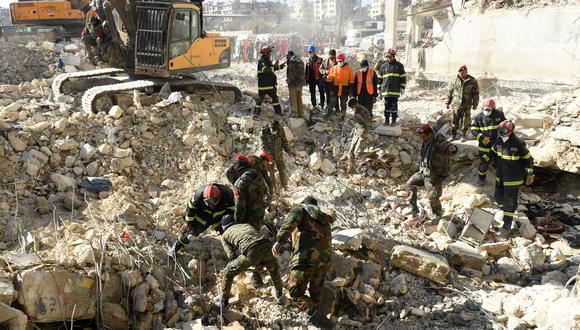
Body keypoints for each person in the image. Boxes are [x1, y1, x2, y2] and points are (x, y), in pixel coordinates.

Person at [272, 196, 335, 329]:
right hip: (323, 263)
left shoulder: (301, 209)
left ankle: (320, 320)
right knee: (316, 295)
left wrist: (279, 240)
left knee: (295, 292)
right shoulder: (325, 220)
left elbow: (290, 222)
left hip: (304, 259)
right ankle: (318, 322)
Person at [219, 215, 284, 308]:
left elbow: (231, 255)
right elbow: (257, 242)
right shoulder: (246, 225)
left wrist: (241, 267)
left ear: (223, 227)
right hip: (267, 245)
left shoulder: (225, 235)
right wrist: (259, 263)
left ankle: (224, 301)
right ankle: (279, 295)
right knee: (273, 270)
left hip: (251, 250)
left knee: (228, 272)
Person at [492, 120, 534, 236]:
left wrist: (530, 174)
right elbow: (493, 152)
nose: (500, 133)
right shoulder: (499, 140)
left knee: (509, 201)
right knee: (498, 196)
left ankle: (507, 225)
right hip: (501, 175)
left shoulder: (518, 143)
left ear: (510, 132)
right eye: (499, 130)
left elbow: (529, 159)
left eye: (503, 131)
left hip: (513, 178)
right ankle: (507, 211)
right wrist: (484, 159)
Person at [407, 124, 458, 218]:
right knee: (410, 183)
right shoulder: (426, 140)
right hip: (424, 171)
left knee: (433, 197)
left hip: (434, 175)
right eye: (421, 136)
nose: (422, 138)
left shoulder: (438, 140)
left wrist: (452, 149)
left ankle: (437, 215)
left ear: (430, 134)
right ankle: (413, 208)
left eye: (424, 136)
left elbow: (446, 146)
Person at [169, 184, 236, 255]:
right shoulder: (198, 195)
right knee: (190, 234)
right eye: (207, 201)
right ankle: (177, 246)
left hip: (219, 219)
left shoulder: (227, 194)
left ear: (218, 197)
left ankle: (232, 248)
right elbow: (190, 208)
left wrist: (229, 221)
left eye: (212, 201)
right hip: (202, 218)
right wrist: (188, 222)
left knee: (228, 232)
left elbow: (232, 209)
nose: (209, 204)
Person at [225, 155, 269, 230]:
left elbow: (240, 206)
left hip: (248, 219)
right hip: (260, 212)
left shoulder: (239, 183)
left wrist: (237, 223)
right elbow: (265, 191)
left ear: (237, 168)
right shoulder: (257, 174)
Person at [470, 98, 506, 186]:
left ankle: (500, 181)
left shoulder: (499, 114)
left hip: (497, 144)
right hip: (484, 146)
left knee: (500, 162)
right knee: (484, 163)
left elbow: (505, 126)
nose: (487, 110)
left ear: (493, 108)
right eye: (485, 108)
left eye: (489, 108)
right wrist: (481, 137)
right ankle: (481, 179)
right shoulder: (478, 117)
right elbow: (474, 129)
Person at [446, 65, 479, 140]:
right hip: (456, 104)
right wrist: (447, 102)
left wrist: (475, 104)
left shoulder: (472, 81)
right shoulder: (455, 80)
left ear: (466, 72)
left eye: (463, 72)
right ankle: (453, 135)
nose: (462, 74)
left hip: (467, 105)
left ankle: (463, 135)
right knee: (454, 120)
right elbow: (450, 92)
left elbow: (476, 94)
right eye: (460, 73)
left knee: (465, 120)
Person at [260, 120, 293, 189]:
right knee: (270, 173)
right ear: (270, 127)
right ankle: (273, 188)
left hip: (279, 155)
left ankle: (285, 186)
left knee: (283, 170)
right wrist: (270, 158)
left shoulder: (280, 130)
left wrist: (288, 150)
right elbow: (263, 147)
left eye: (276, 130)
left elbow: (284, 142)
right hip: (268, 157)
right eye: (273, 130)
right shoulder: (263, 132)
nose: (274, 131)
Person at [255, 46, 285, 117]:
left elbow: (272, 68)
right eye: (269, 53)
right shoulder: (261, 61)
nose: (270, 54)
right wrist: (274, 67)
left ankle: (278, 112)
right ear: (265, 53)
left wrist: (280, 66)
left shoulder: (268, 61)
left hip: (270, 85)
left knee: (275, 99)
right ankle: (256, 114)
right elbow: (265, 70)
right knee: (260, 100)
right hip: (263, 85)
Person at [379, 48, 406, 126]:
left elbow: (403, 77)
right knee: (386, 106)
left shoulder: (399, 66)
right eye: (387, 57)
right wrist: (379, 89)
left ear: (394, 56)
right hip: (386, 90)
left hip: (395, 91)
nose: (388, 58)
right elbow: (380, 78)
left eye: (390, 57)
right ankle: (386, 120)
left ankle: (393, 121)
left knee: (394, 106)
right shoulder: (383, 66)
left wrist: (402, 87)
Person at [346, 98, 373, 174]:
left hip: (363, 133)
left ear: (356, 104)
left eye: (352, 107)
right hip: (357, 132)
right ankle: (351, 169)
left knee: (357, 153)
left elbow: (369, 123)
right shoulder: (356, 111)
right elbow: (356, 123)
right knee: (351, 152)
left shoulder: (364, 111)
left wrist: (361, 118)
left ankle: (370, 158)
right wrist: (353, 129)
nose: (352, 108)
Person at [326, 53, 355, 119]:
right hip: (335, 88)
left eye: (341, 61)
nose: (339, 62)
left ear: (344, 60)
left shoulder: (349, 69)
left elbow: (352, 82)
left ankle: (342, 116)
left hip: (345, 89)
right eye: (338, 61)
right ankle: (328, 114)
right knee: (332, 103)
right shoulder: (334, 68)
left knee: (343, 104)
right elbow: (330, 80)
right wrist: (330, 90)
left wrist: (350, 91)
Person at [286, 50, 306, 118]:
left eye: (287, 55)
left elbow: (291, 72)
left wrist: (289, 80)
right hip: (301, 83)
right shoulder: (299, 60)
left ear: (290, 54)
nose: (286, 56)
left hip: (293, 83)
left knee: (293, 99)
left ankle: (295, 114)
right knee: (299, 98)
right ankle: (301, 113)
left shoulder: (291, 61)